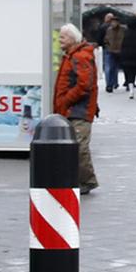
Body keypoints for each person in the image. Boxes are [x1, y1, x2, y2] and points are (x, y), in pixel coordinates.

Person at [51, 23, 101, 193]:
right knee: (74, 147)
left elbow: (84, 85)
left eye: (63, 37)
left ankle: (87, 181)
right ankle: (78, 180)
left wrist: (65, 100)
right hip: (72, 110)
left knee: (79, 148)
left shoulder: (79, 57)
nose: (59, 40)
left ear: (72, 39)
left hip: (78, 110)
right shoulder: (72, 56)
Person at [118, 11, 136, 98]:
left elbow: (122, 44)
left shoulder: (126, 32)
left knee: (129, 73)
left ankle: (131, 90)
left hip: (126, 55)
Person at [100, 15, 128, 95]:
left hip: (121, 51)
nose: (113, 24)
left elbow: (126, 39)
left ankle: (128, 82)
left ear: (118, 22)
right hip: (111, 51)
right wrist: (107, 46)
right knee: (110, 68)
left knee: (124, 67)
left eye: (115, 22)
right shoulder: (109, 30)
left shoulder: (123, 29)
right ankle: (109, 85)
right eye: (112, 22)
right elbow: (106, 40)